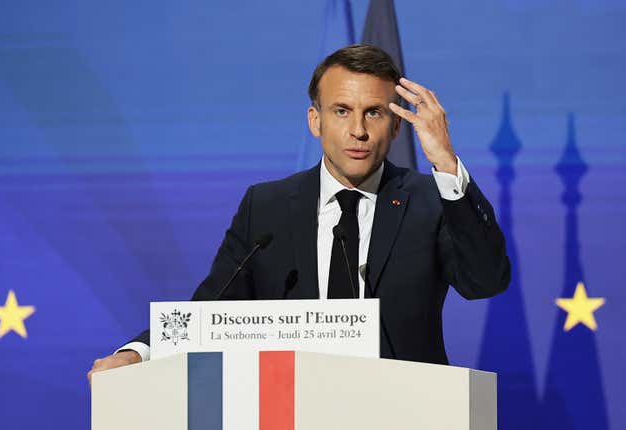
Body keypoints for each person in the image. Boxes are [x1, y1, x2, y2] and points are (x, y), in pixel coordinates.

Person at [88, 44, 510, 385]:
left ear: (397, 127)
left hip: (408, 409)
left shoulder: (430, 198)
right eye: (341, 111)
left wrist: (447, 165)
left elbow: (485, 281)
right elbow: (209, 310)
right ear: (315, 120)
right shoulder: (267, 207)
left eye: (374, 113)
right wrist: (136, 353)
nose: (358, 130)